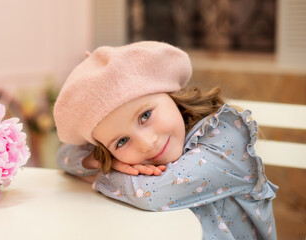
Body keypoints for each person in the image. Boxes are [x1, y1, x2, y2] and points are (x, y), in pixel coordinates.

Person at [53, 41, 278, 239]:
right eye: (121, 141)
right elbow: (65, 155)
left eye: (145, 116)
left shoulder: (227, 136)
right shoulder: (119, 157)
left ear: (170, 92)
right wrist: (107, 161)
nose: (147, 143)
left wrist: (99, 172)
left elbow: (152, 194)